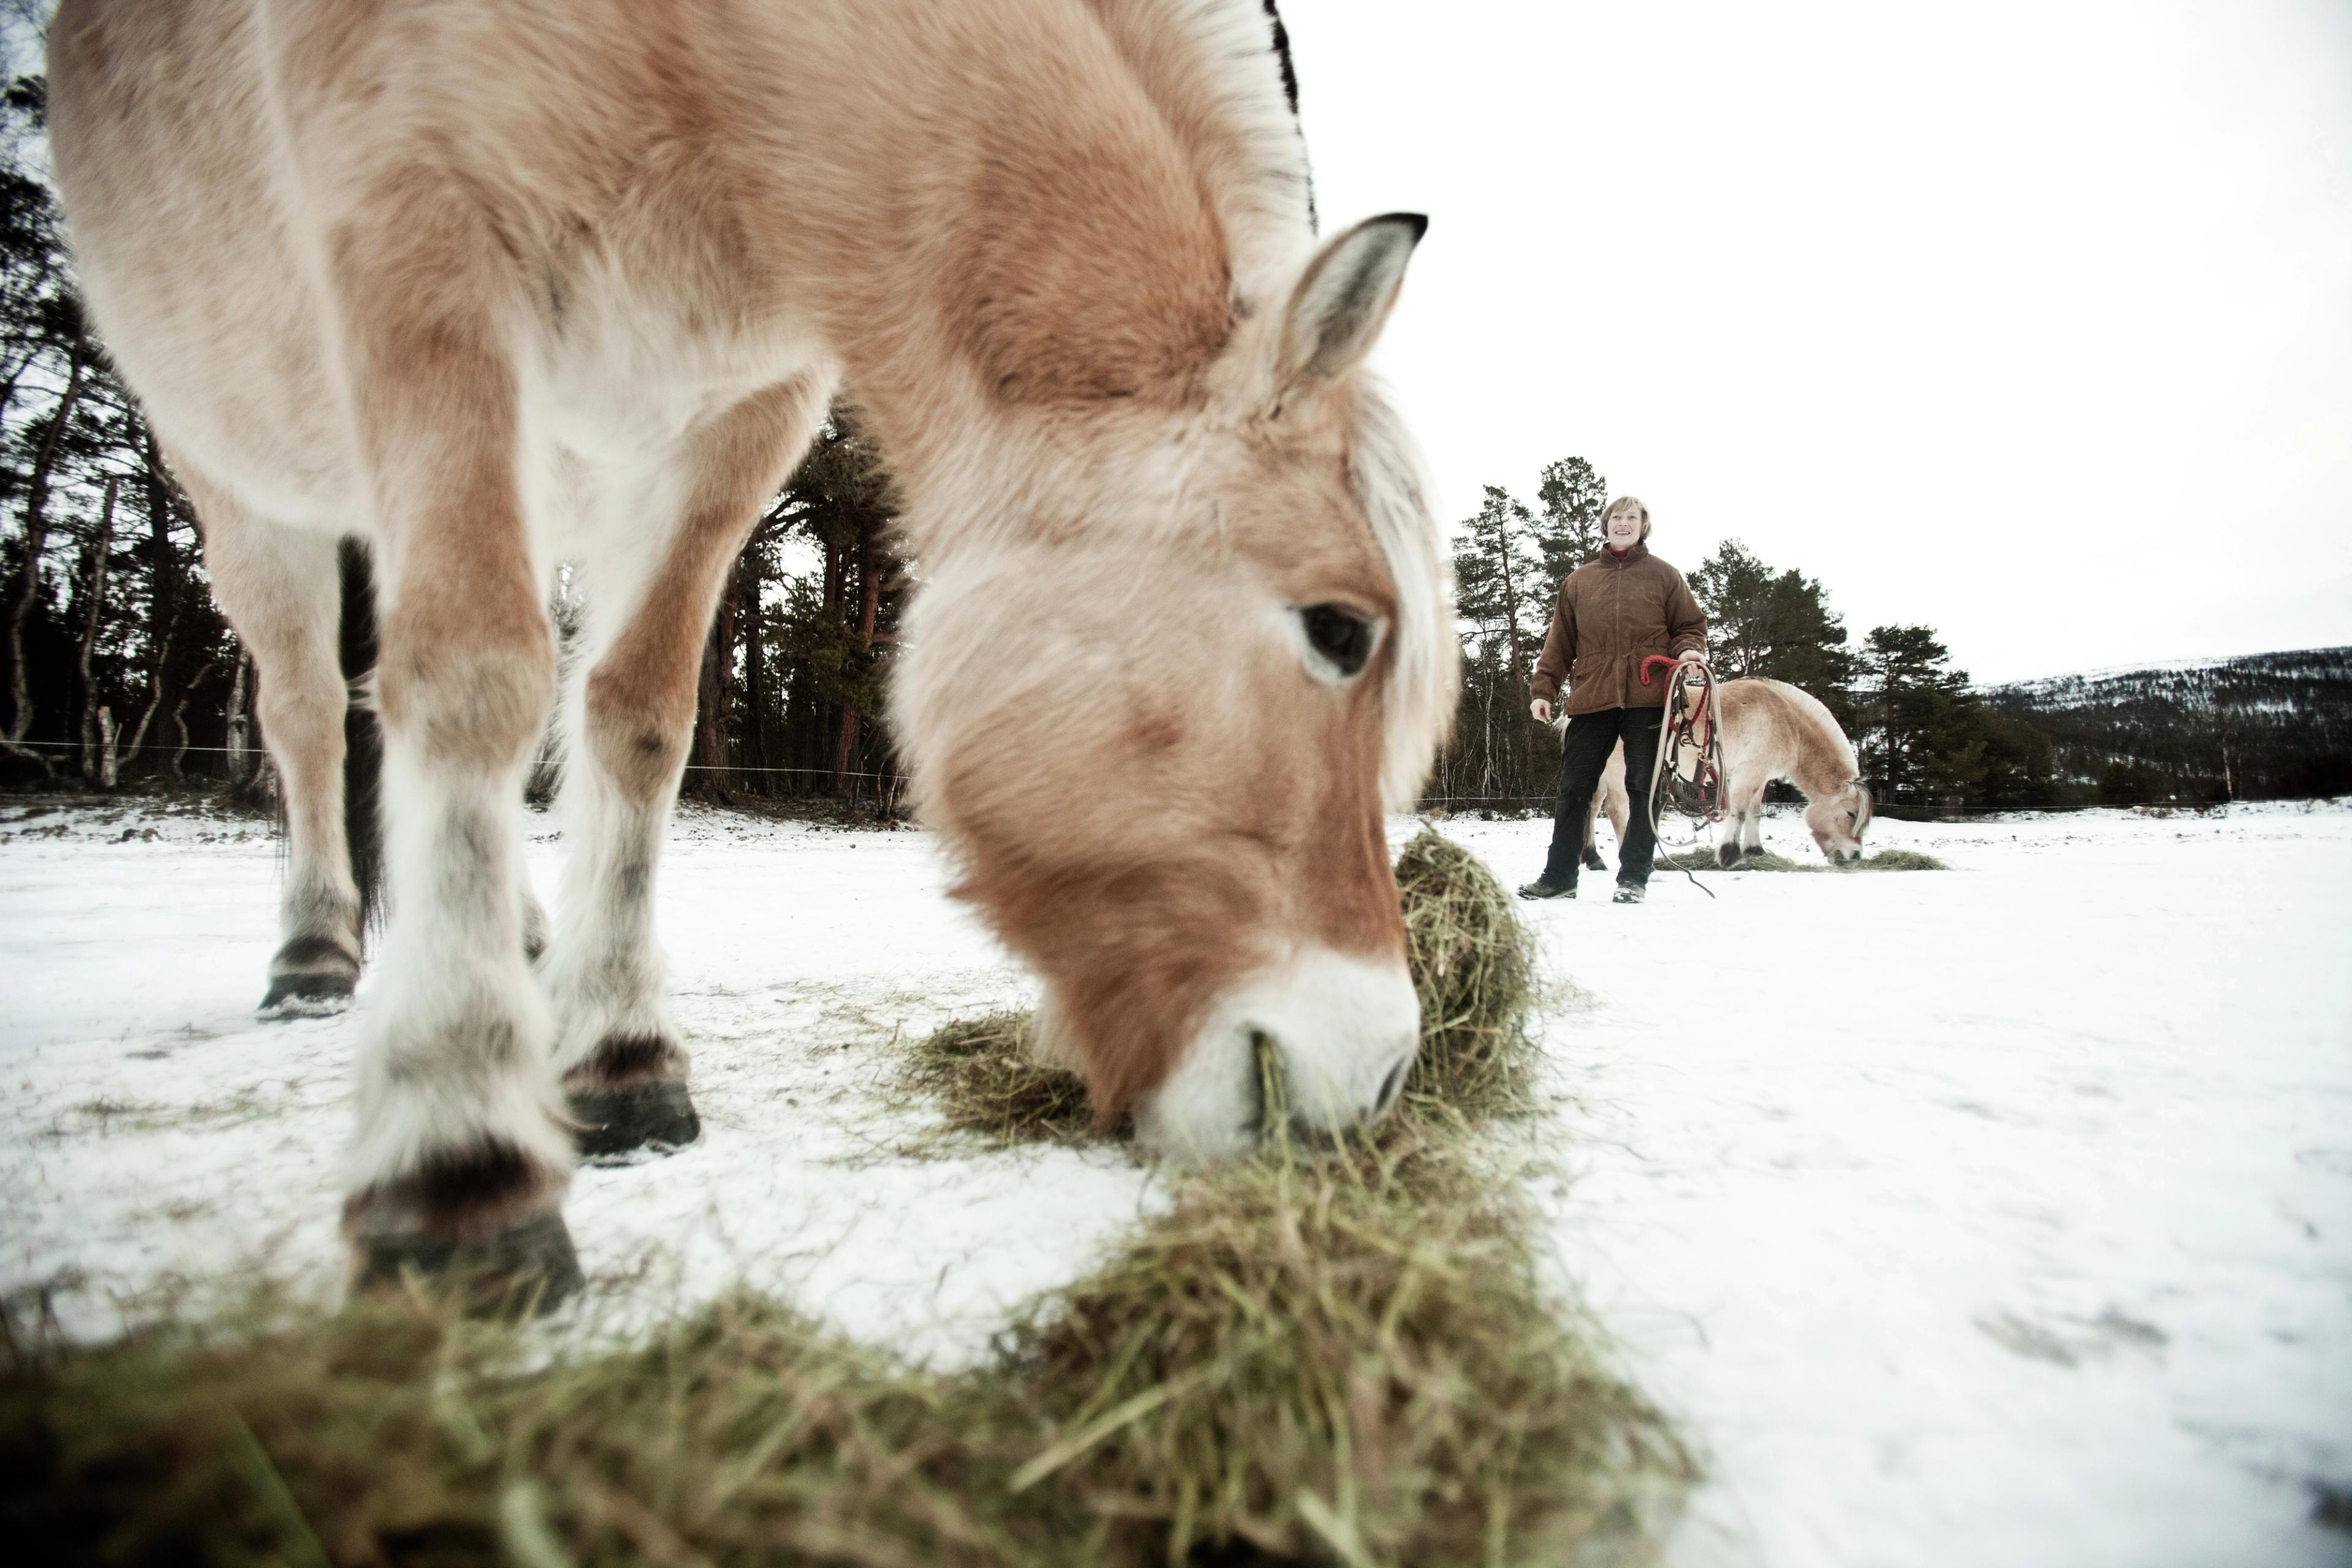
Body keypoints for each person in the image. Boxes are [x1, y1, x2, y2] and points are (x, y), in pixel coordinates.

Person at [1518, 496, 1708, 905]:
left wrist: (1690, 650)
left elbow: (1689, 626)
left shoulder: (1665, 577)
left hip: (1649, 697)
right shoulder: (1579, 582)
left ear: (1644, 526)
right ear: (1605, 526)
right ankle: (1559, 877)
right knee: (1575, 789)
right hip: (1592, 697)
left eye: (1632, 518)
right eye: (1616, 518)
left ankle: (1634, 877)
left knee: (1644, 786)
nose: (1623, 524)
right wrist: (1543, 689)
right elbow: (1560, 643)